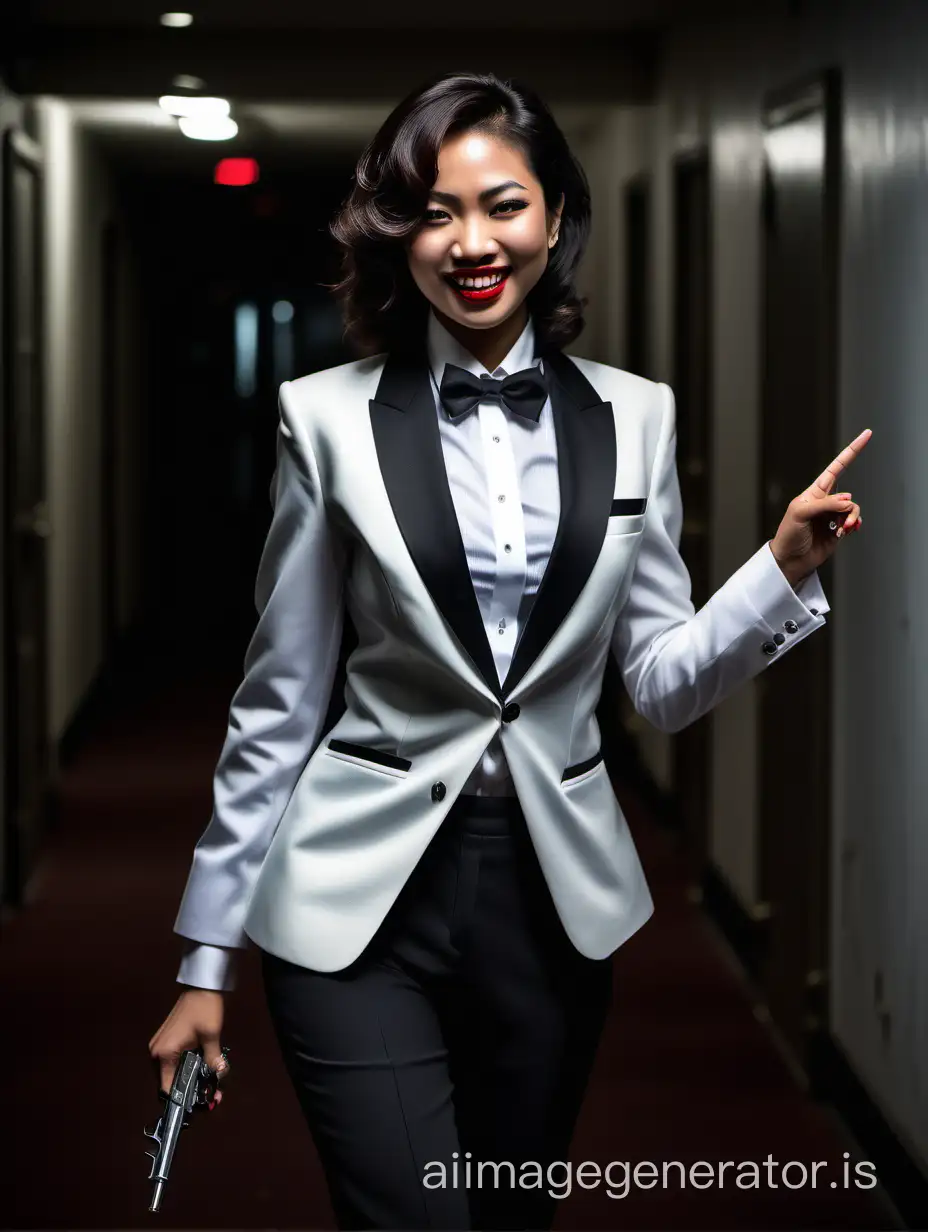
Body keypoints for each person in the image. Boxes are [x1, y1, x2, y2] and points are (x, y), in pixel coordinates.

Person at [149, 70, 868, 1231]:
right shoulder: (322, 416)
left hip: (547, 900)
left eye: (503, 204)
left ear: (555, 218)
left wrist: (776, 571)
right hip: (353, 900)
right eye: (435, 211)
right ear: (398, 234)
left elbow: (660, 683)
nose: (471, 241)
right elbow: (277, 703)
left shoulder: (637, 415)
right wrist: (203, 961)